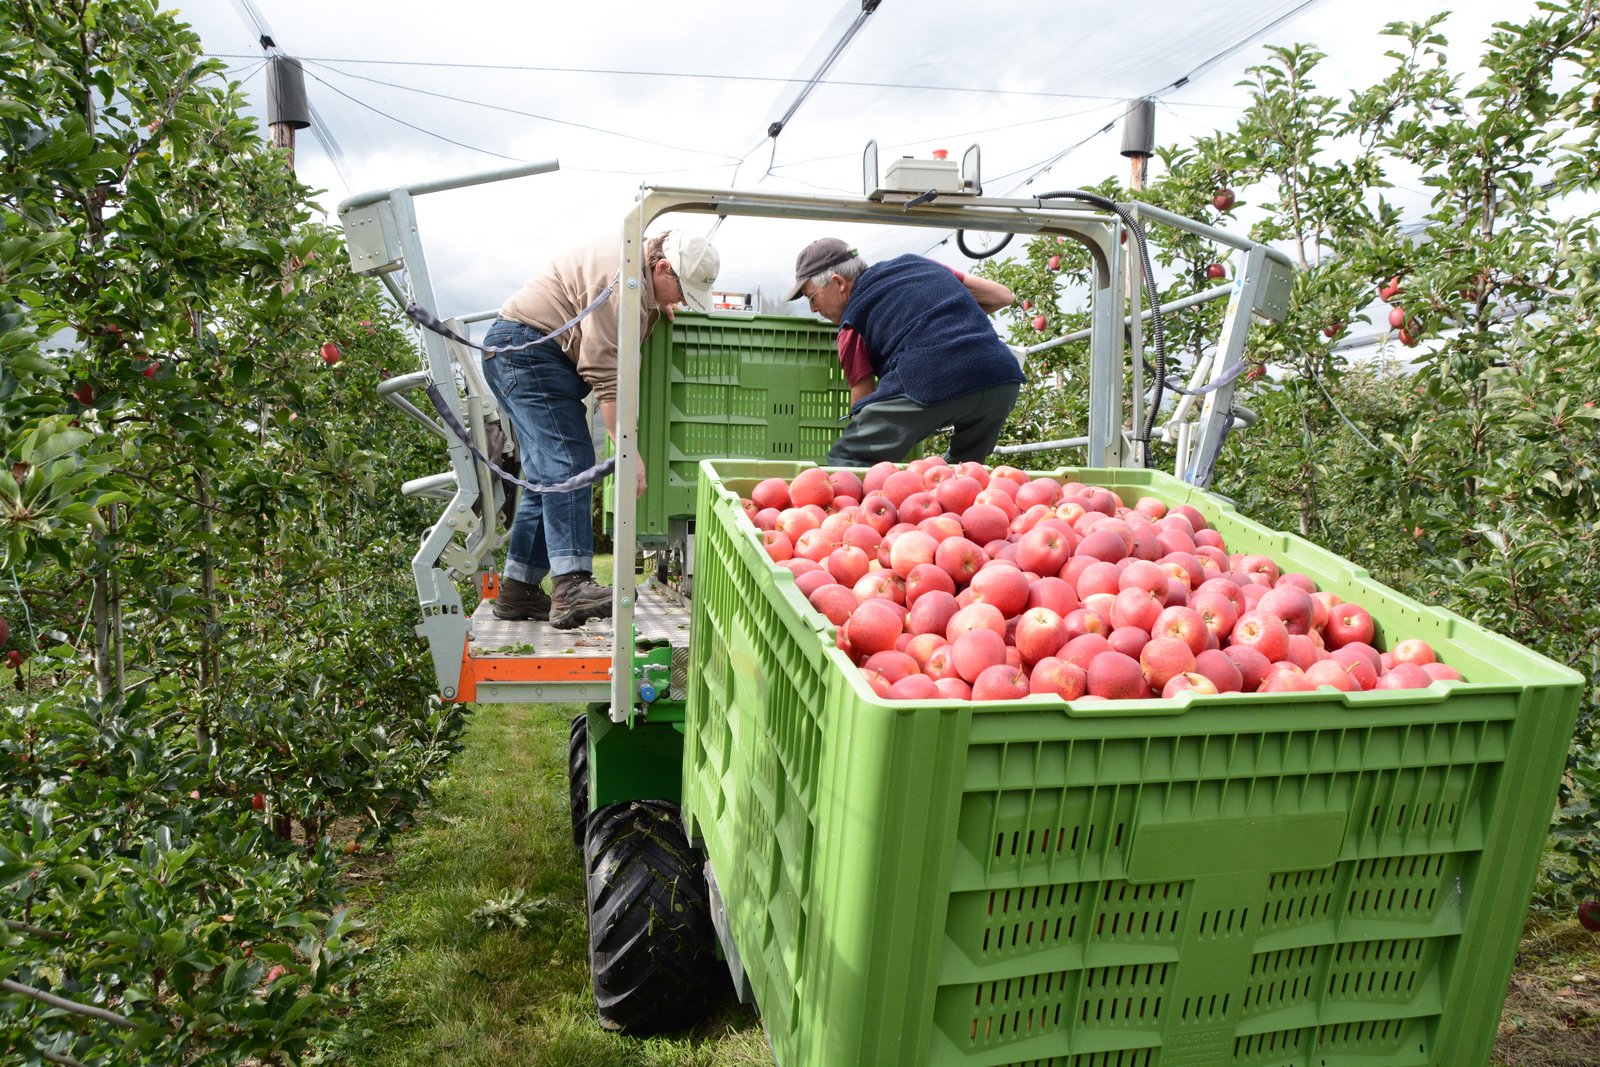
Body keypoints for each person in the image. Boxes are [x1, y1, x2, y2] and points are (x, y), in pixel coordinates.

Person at [482, 230, 719, 627]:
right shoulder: (622, 284)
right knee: (570, 463)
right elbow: (606, 374)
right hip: (528, 351)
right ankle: (571, 585)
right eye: (681, 291)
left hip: (516, 349)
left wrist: (658, 305)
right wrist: (628, 450)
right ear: (663, 267)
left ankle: (518, 589)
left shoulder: (635, 272)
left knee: (547, 480)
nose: (680, 301)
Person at [786, 238, 1024, 466]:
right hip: (1002, 378)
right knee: (964, 471)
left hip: (931, 378)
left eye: (812, 297)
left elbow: (863, 403)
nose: (813, 308)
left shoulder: (852, 325)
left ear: (838, 283)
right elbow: (1002, 296)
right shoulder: (918, 263)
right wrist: (950, 318)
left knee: (849, 459)